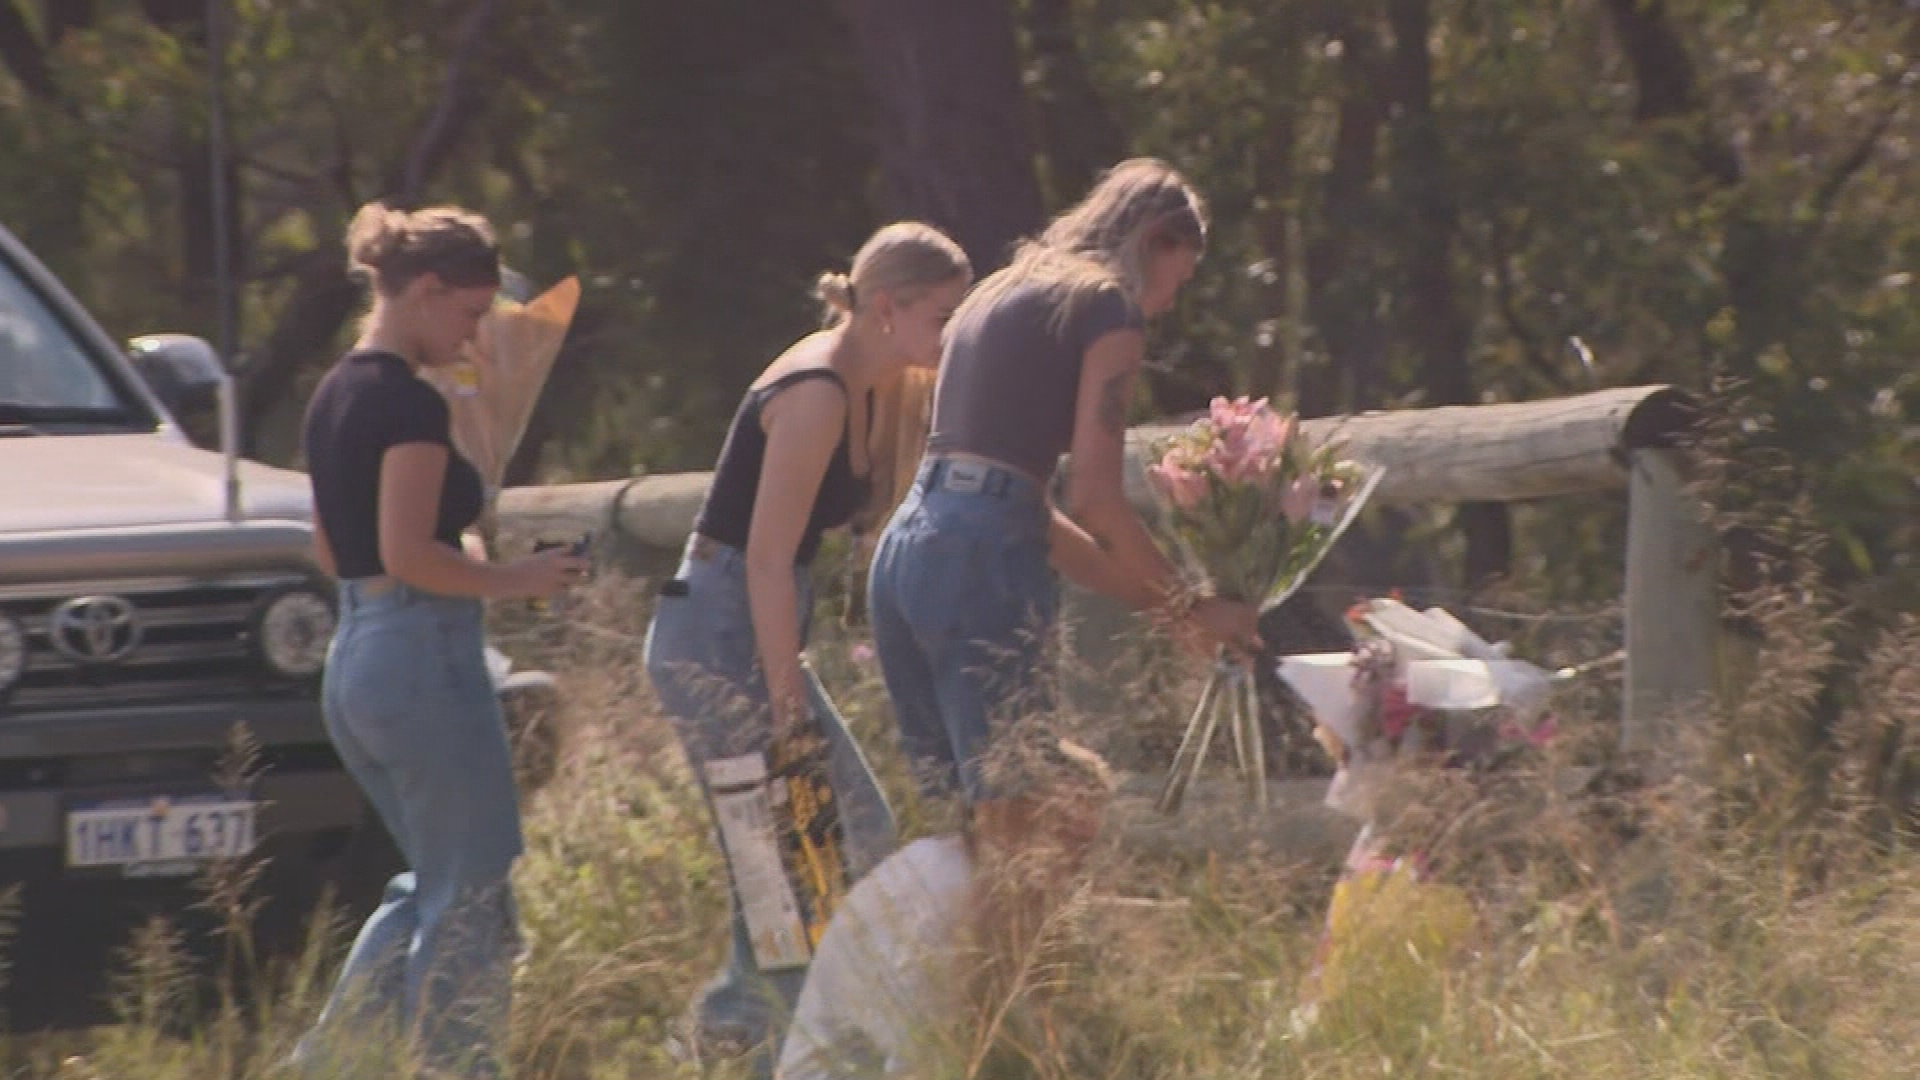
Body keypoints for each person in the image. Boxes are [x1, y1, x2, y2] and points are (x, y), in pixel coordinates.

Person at [643, 222, 974, 1068]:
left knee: (819, 846)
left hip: (747, 614)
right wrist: (790, 709)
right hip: (720, 627)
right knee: (794, 855)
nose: (954, 333)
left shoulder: (870, 383)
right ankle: (750, 1043)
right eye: (945, 315)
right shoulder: (819, 388)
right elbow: (762, 557)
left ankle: (747, 1039)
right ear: (887, 307)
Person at [865, 157, 1263, 829]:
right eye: (1180, 276)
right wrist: (1191, 608)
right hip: (979, 562)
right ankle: (1013, 939)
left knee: (996, 825)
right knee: (1029, 834)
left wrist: (1172, 615)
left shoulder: (1001, 289)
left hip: (911, 550)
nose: (1169, 301)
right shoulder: (1106, 304)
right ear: (1155, 243)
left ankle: (981, 937)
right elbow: (1096, 498)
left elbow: (1030, 513)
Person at [290, 201, 590, 1079]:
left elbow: (333, 546)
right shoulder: (408, 407)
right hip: (421, 661)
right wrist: (518, 580)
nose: (471, 340)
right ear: (424, 290)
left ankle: (330, 1063)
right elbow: (408, 553)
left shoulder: (334, 392)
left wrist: (454, 561)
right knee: (474, 896)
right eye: (467, 315)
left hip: (356, 656)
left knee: (431, 883)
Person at [772, 738, 1118, 1080]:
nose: (1073, 873)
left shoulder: (987, 892)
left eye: (1084, 852)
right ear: (1009, 822)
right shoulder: (939, 903)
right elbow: (918, 1068)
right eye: (1064, 840)